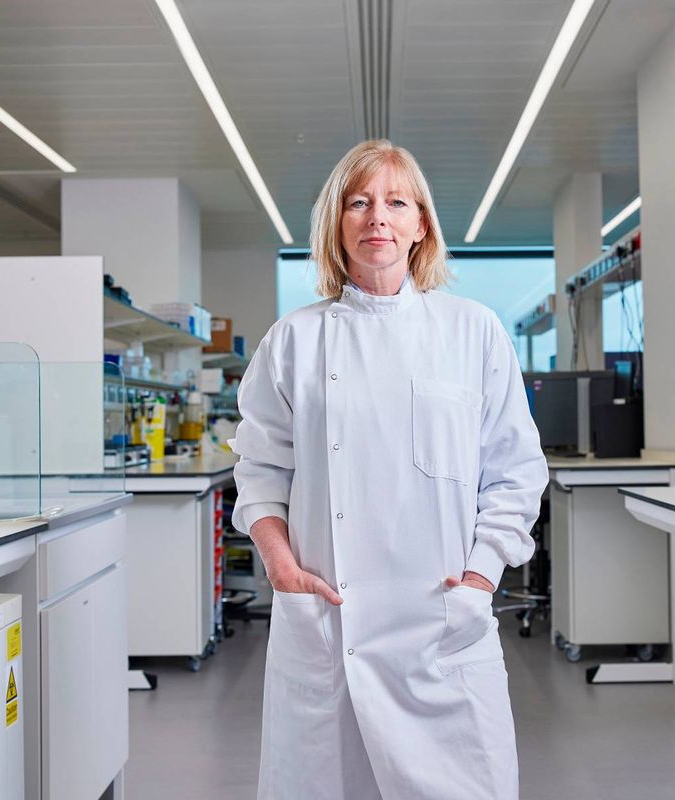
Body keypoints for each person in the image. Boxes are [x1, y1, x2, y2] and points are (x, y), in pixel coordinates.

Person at [231, 139, 548, 800]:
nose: (378, 216)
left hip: (441, 622)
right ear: (336, 225)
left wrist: (481, 576)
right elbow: (259, 474)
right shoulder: (294, 341)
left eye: (396, 202)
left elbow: (516, 472)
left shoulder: (472, 332)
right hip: (328, 621)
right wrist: (282, 568)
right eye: (359, 202)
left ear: (420, 225)